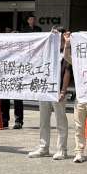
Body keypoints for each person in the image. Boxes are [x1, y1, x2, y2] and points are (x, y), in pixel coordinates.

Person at [28, 29, 72, 160]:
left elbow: (67, 72)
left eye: (56, 34)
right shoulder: (48, 51)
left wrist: (63, 91)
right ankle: (43, 147)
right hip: (45, 90)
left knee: (60, 121)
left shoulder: (66, 52)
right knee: (43, 121)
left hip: (58, 91)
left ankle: (62, 150)